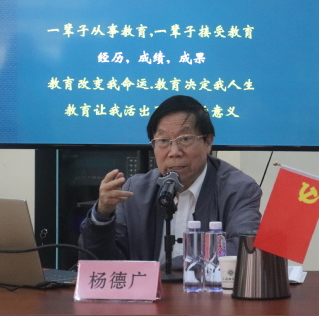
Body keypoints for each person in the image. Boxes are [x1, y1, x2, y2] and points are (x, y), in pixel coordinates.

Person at [79, 95, 262, 269]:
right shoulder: (135, 191)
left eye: (185, 139)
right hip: (148, 292)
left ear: (208, 142)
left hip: (208, 291)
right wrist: (102, 216)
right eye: (163, 141)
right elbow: (102, 262)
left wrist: (163, 270)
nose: (174, 152)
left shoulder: (239, 189)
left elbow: (243, 249)